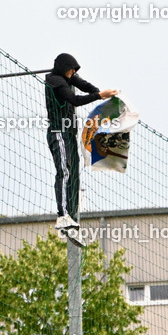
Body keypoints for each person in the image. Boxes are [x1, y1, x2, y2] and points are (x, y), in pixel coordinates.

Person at [44, 53, 117, 231]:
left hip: (68, 133)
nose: (72, 73)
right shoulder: (57, 82)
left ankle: (69, 214)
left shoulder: (68, 77)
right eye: (70, 70)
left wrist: (100, 93)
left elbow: (84, 86)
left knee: (70, 170)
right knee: (63, 171)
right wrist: (99, 96)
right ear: (63, 68)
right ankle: (62, 216)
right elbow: (75, 100)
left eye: (74, 70)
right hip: (58, 133)